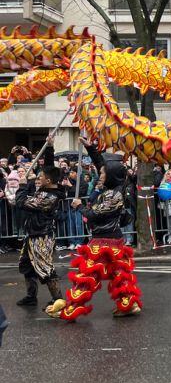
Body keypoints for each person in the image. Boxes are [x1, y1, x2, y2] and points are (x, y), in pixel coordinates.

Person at [47, 137, 142, 320]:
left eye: (104, 173)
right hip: (113, 239)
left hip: (102, 241)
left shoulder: (113, 195)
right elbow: (102, 165)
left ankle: (71, 309)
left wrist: (78, 206)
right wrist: (90, 147)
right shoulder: (113, 187)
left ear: (112, 175)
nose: (101, 174)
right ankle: (129, 303)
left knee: (87, 275)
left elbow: (94, 214)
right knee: (119, 274)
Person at [15, 138, 65, 309]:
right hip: (32, 235)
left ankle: (58, 299)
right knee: (26, 266)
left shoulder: (49, 196)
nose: (38, 177)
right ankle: (31, 296)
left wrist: (21, 187)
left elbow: (22, 203)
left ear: (48, 181)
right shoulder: (47, 187)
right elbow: (49, 169)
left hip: (42, 236)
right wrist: (50, 148)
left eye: (41, 177)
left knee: (45, 268)